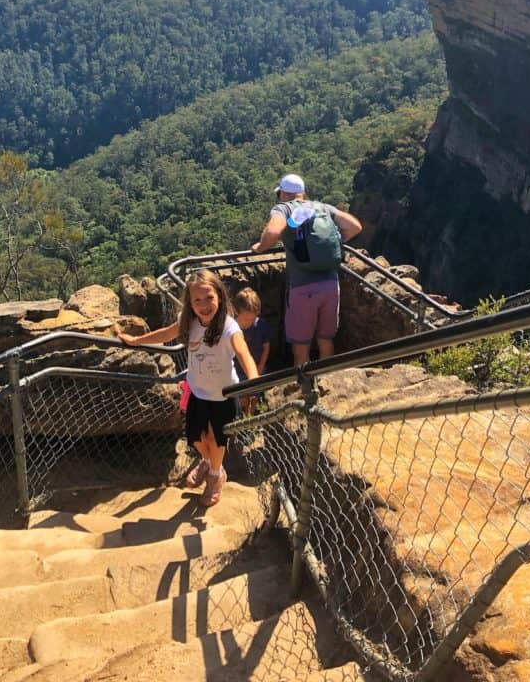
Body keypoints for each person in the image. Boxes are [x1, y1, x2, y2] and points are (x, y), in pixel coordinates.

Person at [118, 268, 258, 507]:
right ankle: (211, 464)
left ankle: (215, 477)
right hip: (198, 391)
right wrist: (136, 341)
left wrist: (254, 380)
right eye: (198, 300)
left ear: (220, 297)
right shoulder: (189, 321)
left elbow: (243, 351)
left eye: (209, 298)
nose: (204, 305)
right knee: (195, 438)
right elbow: (167, 333)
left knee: (216, 441)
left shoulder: (228, 326)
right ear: (190, 303)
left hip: (223, 395)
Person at [251, 172, 362, 367]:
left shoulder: (284, 208)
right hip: (330, 284)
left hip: (303, 288)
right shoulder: (322, 207)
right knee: (325, 339)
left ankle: (304, 387)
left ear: (283, 194)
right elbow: (355, 227)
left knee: (301, 345)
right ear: (303, 193)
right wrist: (335, 243)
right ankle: (328, 381)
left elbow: (273, 232)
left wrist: (260, 247)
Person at [233, 286, 271, 413]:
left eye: (253, 318)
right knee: (241, 397)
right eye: (247, 319)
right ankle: (241, 418)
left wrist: (260, 366)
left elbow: (266, 347)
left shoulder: (260, 325)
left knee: (255, 393)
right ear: (236, 311)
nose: (250, 322)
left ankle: (252, 417)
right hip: (237, 371)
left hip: (257, 367)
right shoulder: (231, 328)